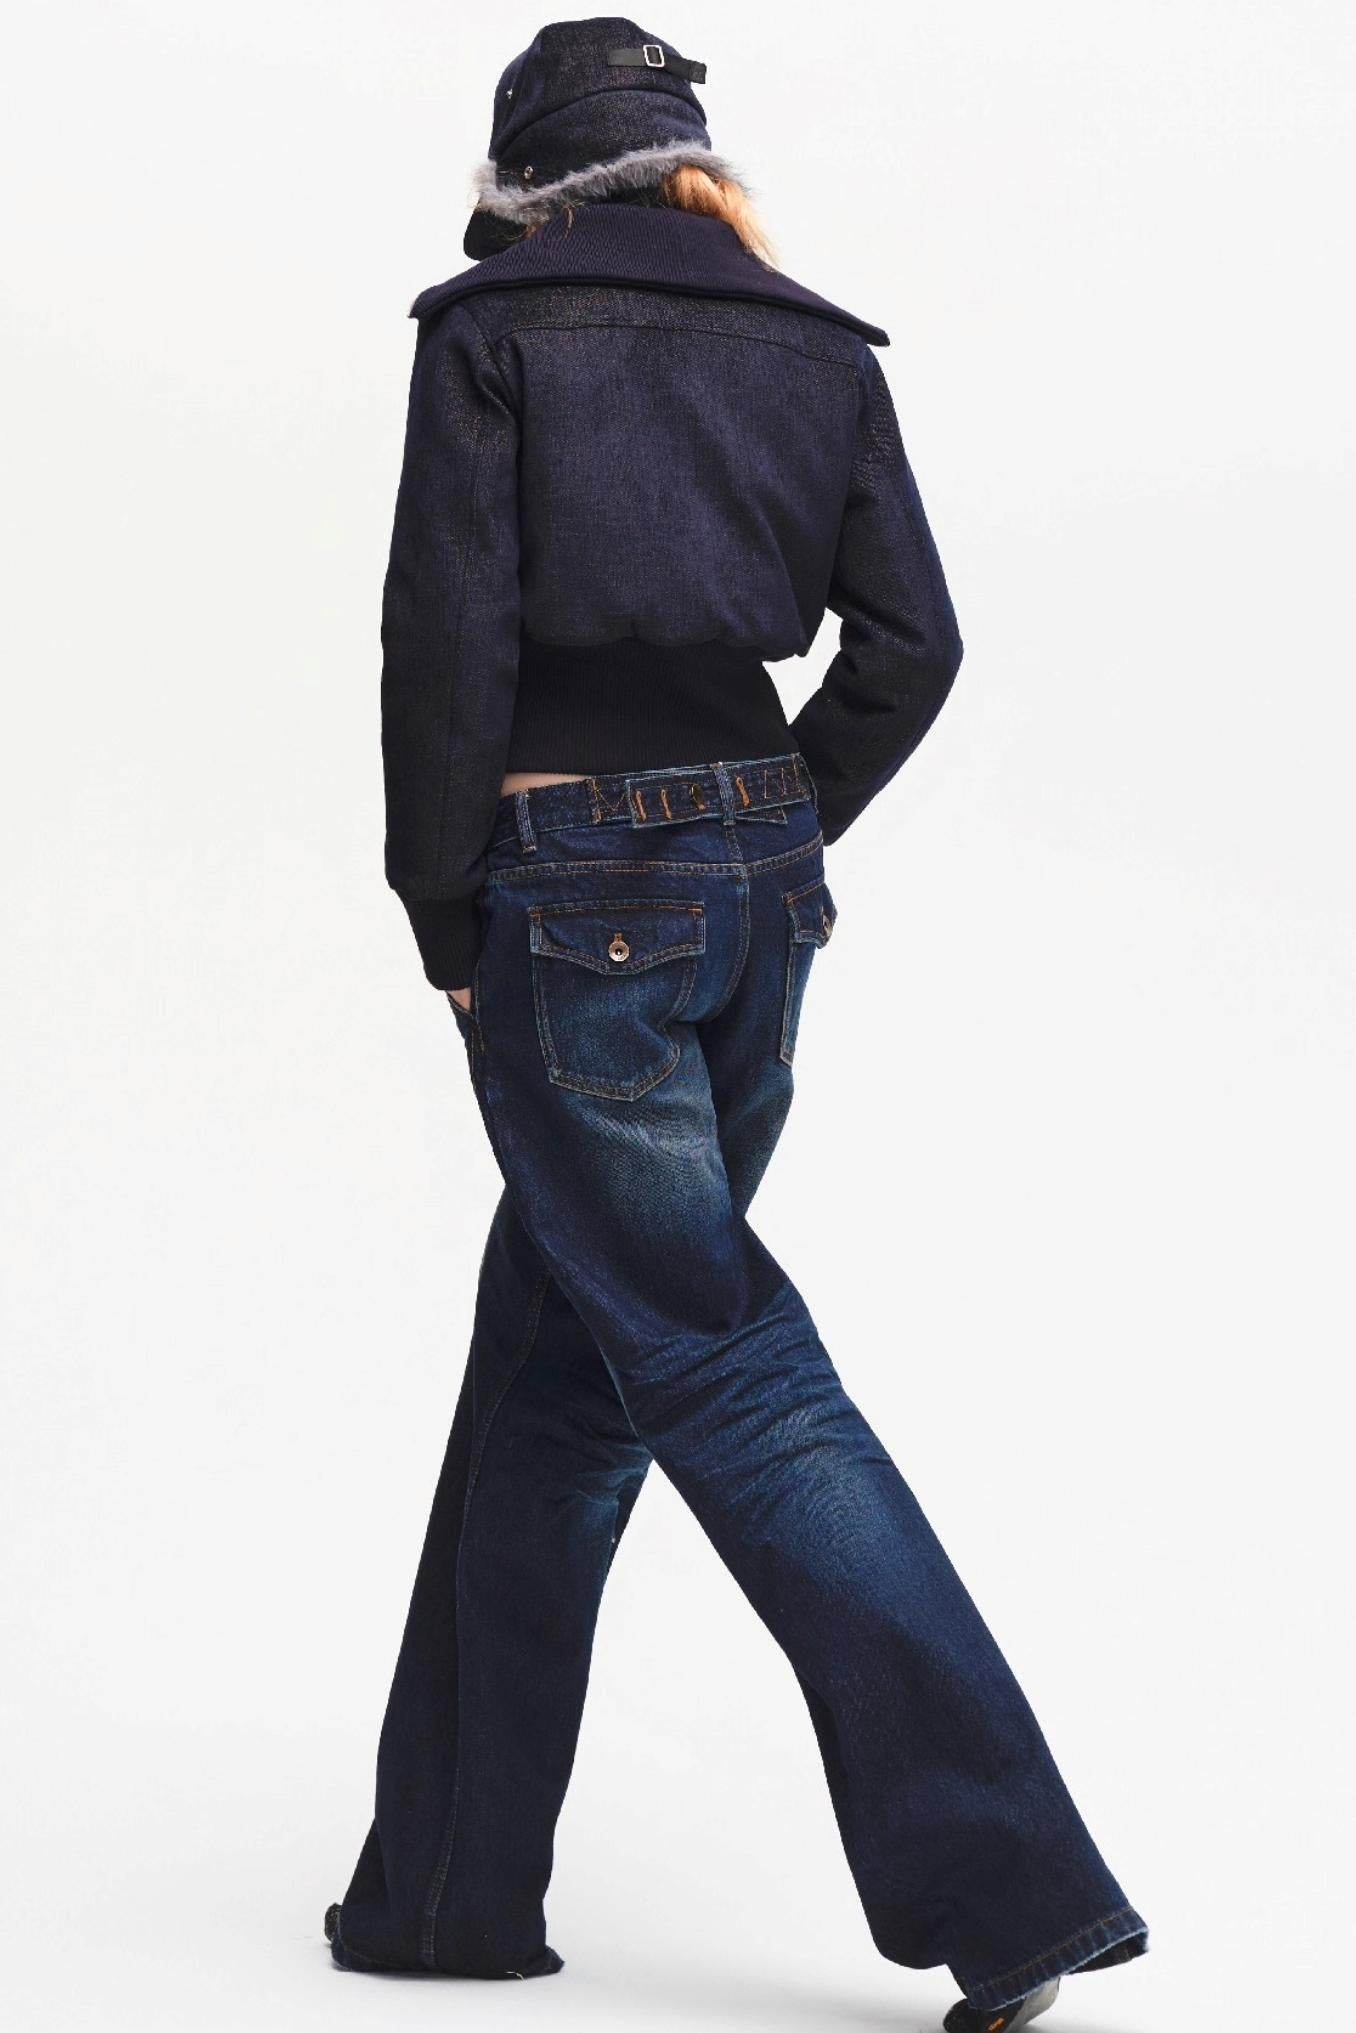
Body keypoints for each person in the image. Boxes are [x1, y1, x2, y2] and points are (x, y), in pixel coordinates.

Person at [325, 21, 1149, 2031]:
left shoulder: (490, 330)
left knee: (724, 1367)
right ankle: (445, 1894)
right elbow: (915, 644)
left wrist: (446, 905)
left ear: (526, 189)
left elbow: (446, 635)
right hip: (758, 891)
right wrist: (775, 819)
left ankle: (1017, 1888)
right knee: (563, 1368)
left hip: (569, 893)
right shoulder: (814, 343)